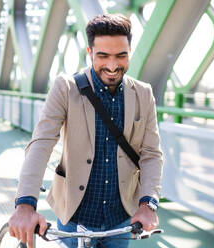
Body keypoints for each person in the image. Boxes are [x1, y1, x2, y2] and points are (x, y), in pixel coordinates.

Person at [9, 13, 163, 248]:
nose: (112, 66)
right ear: (90, 53)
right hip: (73, 217)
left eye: (120, 56)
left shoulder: (143, 93)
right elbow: (42, 142)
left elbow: (151, 153)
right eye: (103, 56)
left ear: (129, 51)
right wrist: (25, 205)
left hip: (121, 219)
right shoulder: (65, 88)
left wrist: (147, 204)